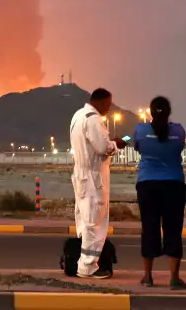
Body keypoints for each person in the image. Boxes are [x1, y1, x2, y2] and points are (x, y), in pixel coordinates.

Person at [69, 87, 129, 279]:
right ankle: (88, 266)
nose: (109, 109)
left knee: (84, 220)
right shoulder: (93, 119)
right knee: (95, 222)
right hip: (93, 178)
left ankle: (83, 261)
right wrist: (116, 145)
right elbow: (102, 147)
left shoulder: (78, 116)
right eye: (109, 105)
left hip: (81, 174)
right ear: (101, 102)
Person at [132, 96, 186, 289]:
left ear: (150, 111)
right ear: (169, 111)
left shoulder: (141, 130)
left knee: (149, 227)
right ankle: (174, 278)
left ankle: (147, 276)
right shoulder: (178, 130)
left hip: (147, 183)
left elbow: (138, 148)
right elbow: (180, 146)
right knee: (173, 229)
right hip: (174, 184)